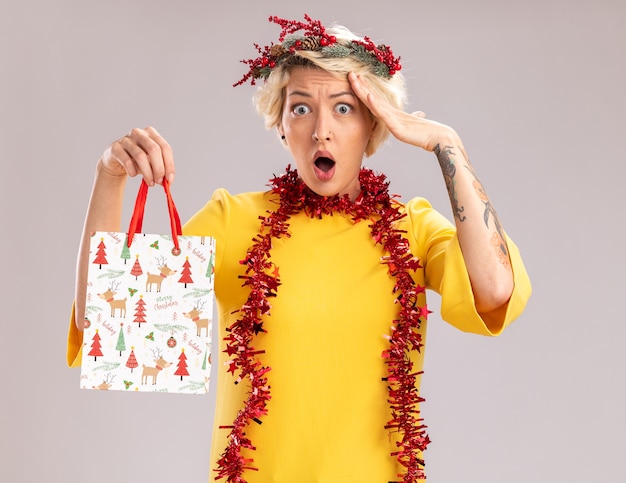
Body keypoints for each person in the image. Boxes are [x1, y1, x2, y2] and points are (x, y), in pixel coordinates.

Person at [67, 14, 531, 483]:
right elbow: (104, 318)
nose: (321, 131)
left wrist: (447, 146)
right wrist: (109, 175)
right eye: (302, 108)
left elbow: (493, 289)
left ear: (375, 126)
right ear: (282, 126)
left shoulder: (411, 229)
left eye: (345, 108)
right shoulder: (234, 220)